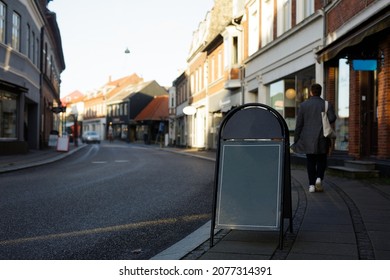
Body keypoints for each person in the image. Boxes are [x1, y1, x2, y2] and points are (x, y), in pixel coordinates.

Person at [293, 83, 337, 193]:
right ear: (320, 92)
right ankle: (319, 178)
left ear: (311, 92)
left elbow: (299, 124)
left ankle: (311, 185)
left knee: (310, 161)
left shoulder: (304, 105)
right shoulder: (326, 104)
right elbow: (332, 118)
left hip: (307, 138)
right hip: (323, 136)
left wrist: (296, 138)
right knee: (322, 159)